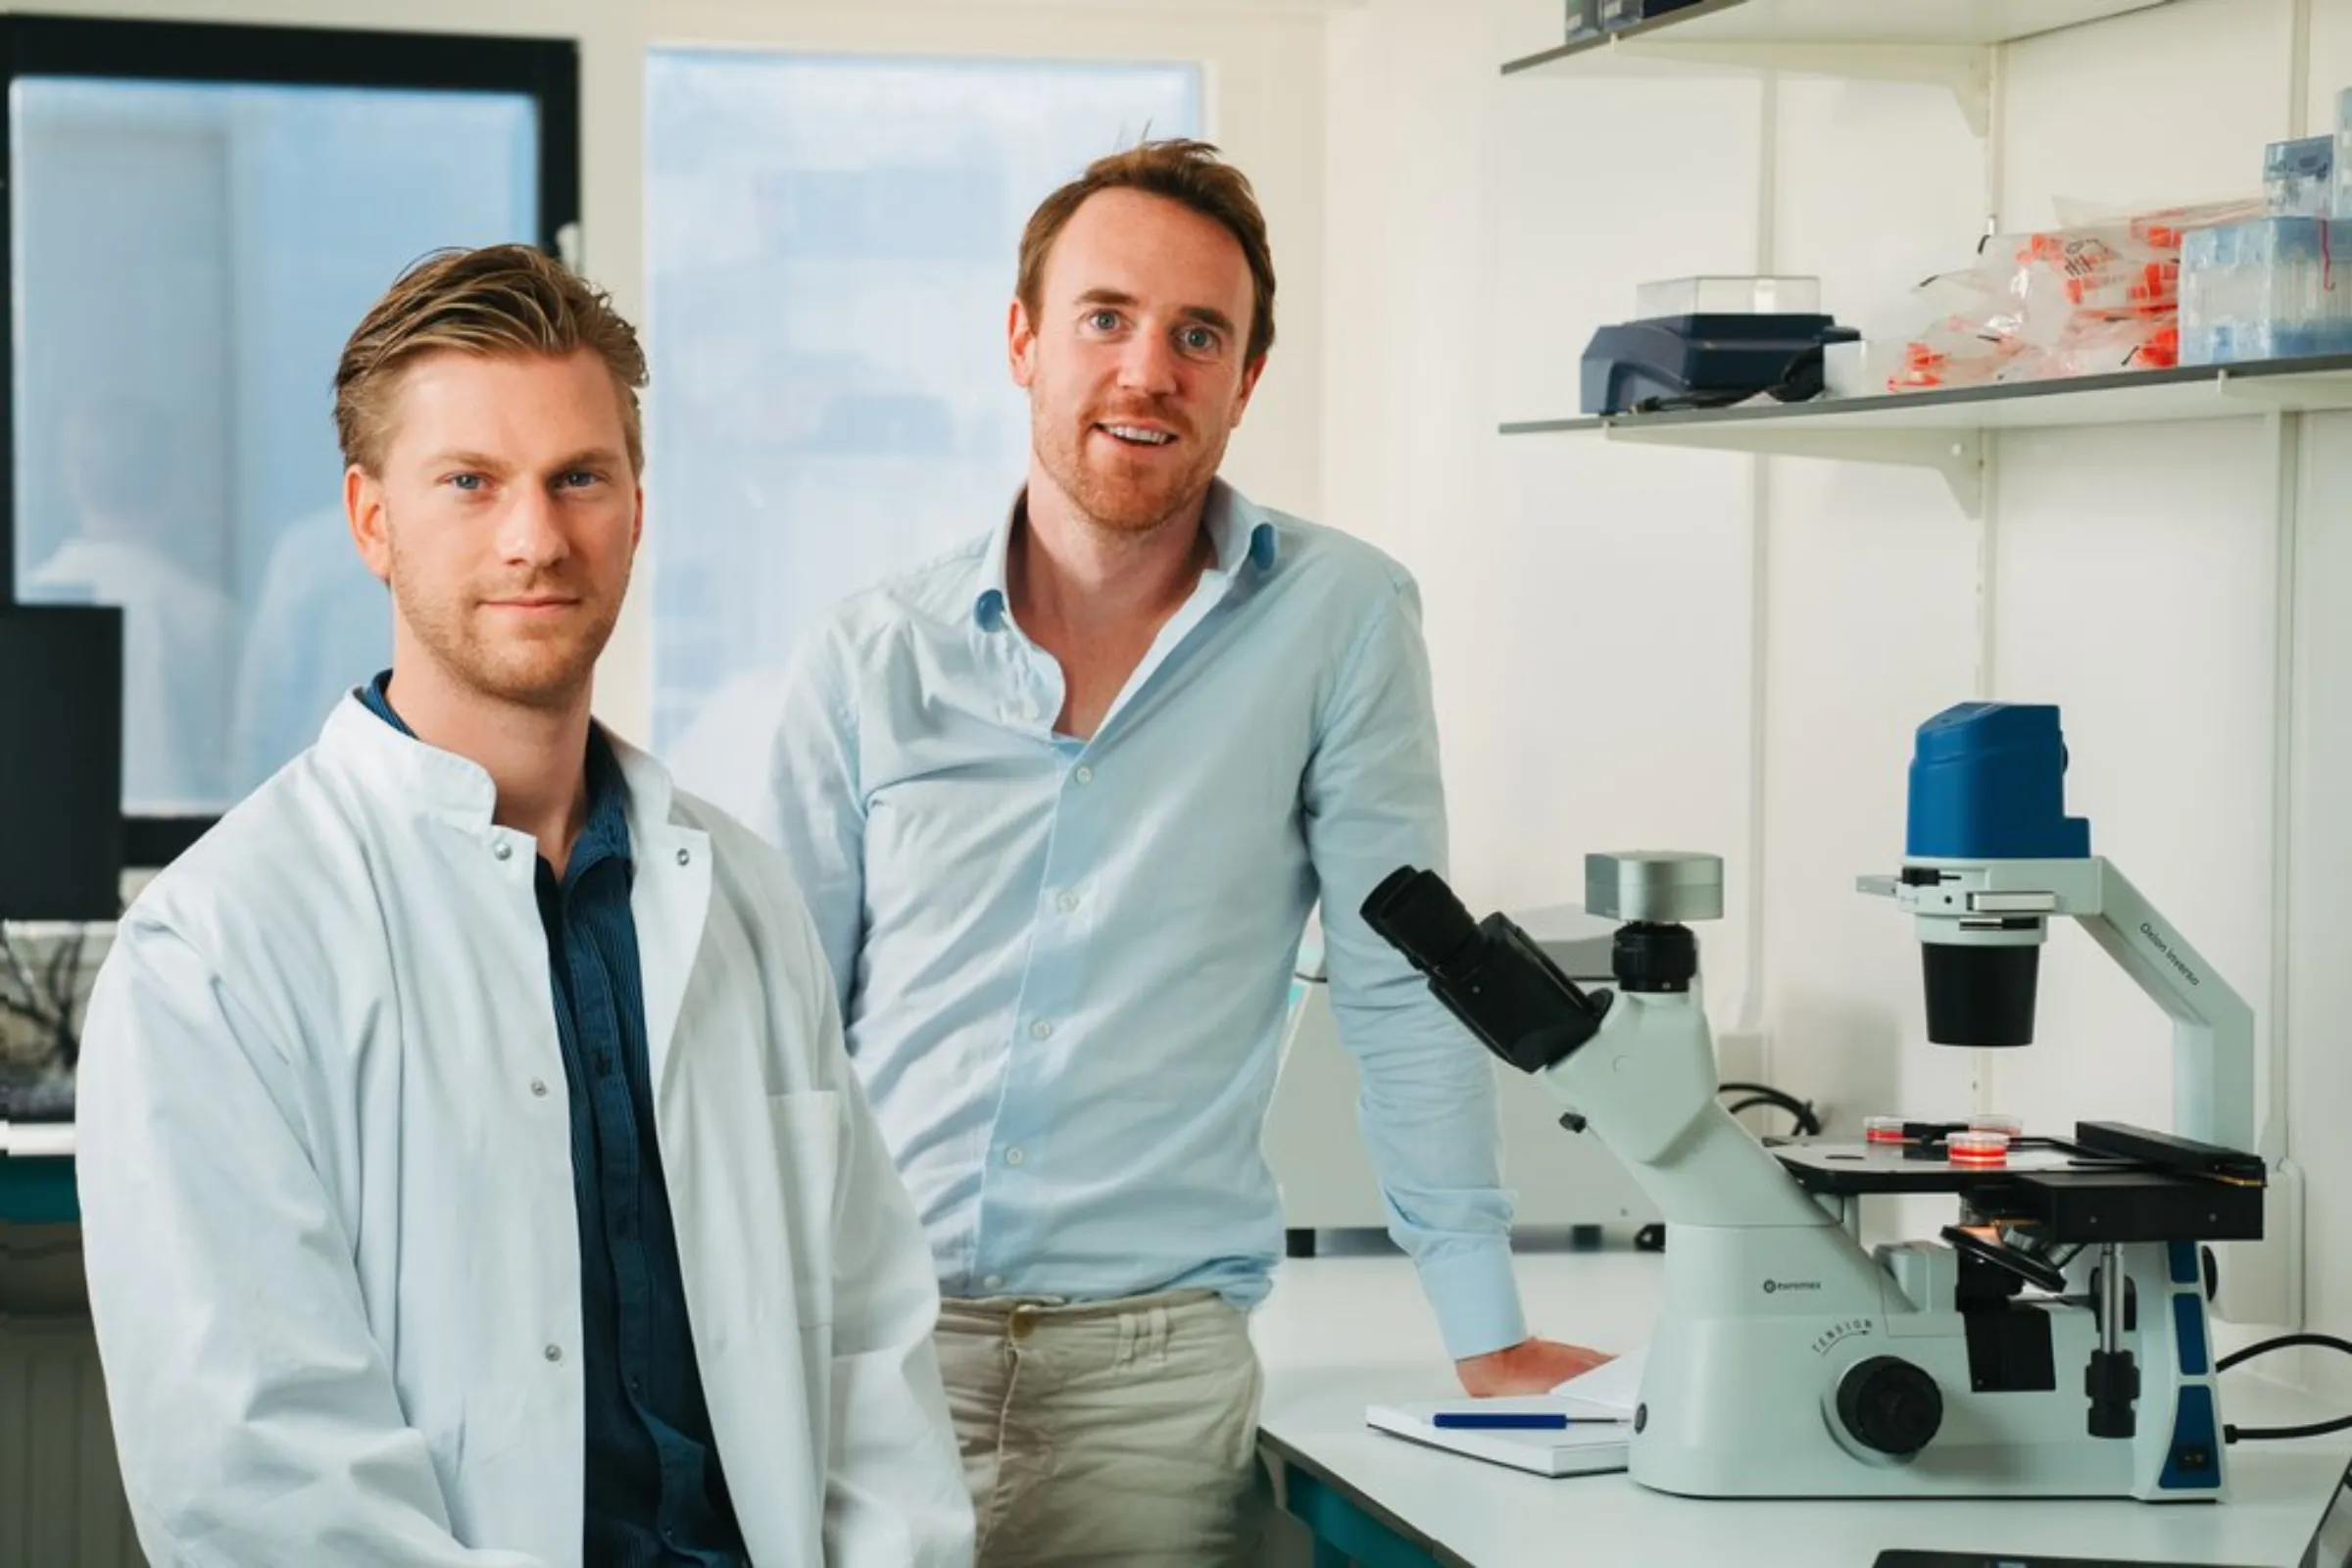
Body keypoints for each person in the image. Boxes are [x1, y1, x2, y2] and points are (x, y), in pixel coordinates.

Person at [706, 140, 1607, 1565]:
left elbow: (1398, 982)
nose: (1149, 370)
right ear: (1023, 340)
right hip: (870, 1360)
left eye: (1202, 335)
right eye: (1106, 318)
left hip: (1150, 1386)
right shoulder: (872, 655)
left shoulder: (1340, 622)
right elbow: (778, 1030)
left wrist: (1483, 1328)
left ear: (1246, 380)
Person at [74, 244, 971, 1567]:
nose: (536, 538)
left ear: (637, 509)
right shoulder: (215, 952)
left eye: (579, 479)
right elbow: (258, 1479)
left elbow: (870, 1350)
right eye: (470, 483)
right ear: (371, 520)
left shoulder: (740, 896)